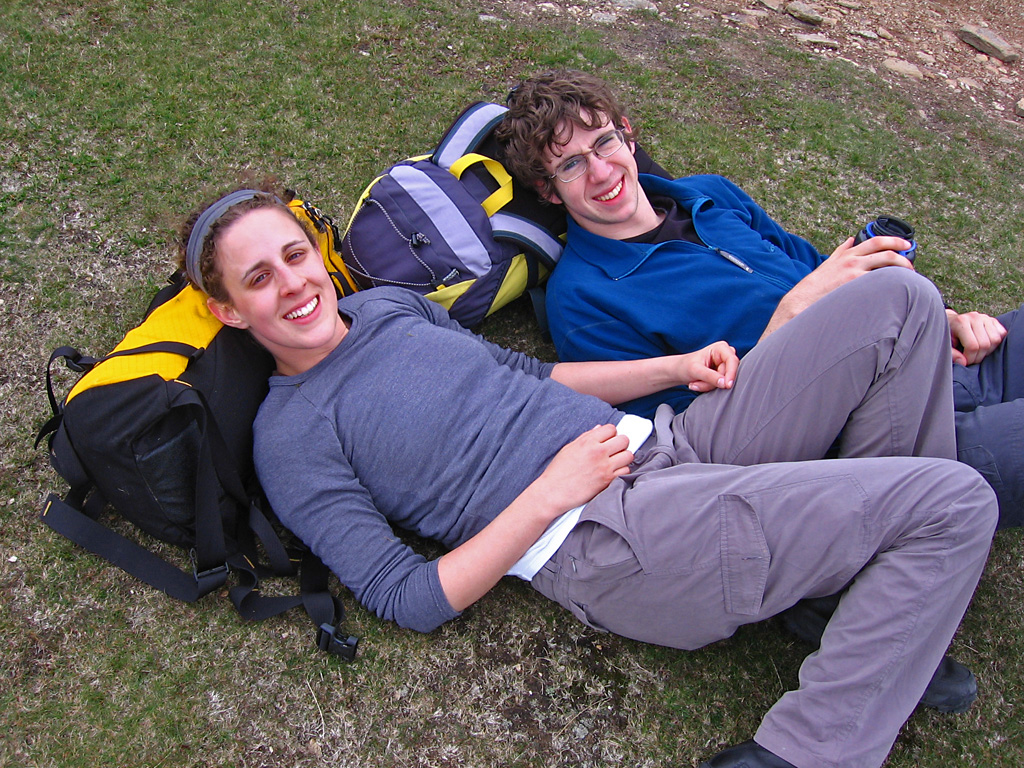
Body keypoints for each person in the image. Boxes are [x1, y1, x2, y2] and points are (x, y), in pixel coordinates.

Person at [179, 187, 996, 768]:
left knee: (901, 297)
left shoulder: (386, 307)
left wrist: (675, 367)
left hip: (674, 444)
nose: (294, 284)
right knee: (955, 503)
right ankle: (809, 751)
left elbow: (527, 375)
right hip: (609, 538)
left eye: (295, 255)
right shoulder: (290, 437)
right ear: (228, 311)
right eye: (259, 278)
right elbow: (408, 597)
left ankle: (852, 603)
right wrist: (551, 494)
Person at [496, 69, 1024, 529]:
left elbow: (821, 269)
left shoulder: (709, 194)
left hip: (932, 356)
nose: (601, 171)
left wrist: (942, 317)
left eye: (605, 142)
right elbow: (689, 439)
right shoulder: (582, 297)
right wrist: (790, 316)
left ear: (628, 136)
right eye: (571, 165)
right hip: (866, 430)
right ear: (549, 190)